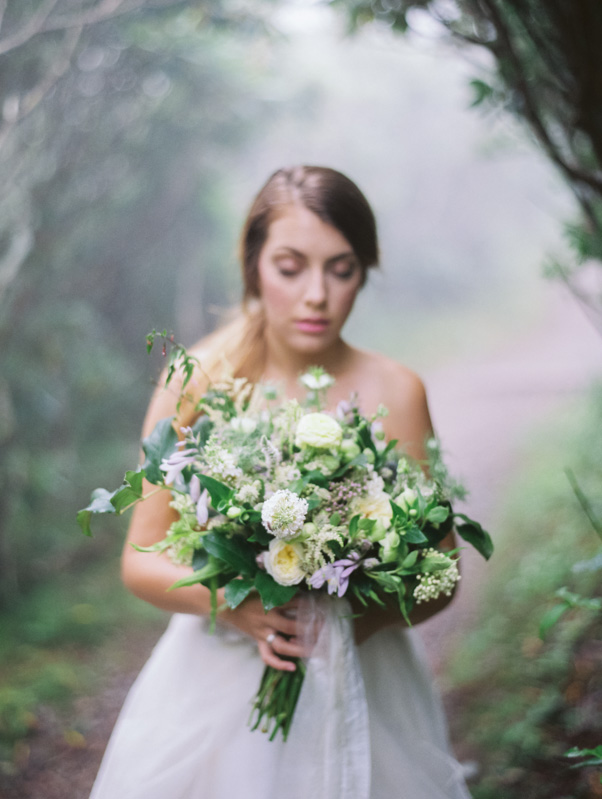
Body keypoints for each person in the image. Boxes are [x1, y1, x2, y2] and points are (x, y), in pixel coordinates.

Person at [89, 166, 472, 799]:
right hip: (215, 685)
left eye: (341, 268)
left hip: (365, 682)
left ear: (365, 270)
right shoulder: (199, 381)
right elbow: (141, 559)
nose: (316, 294)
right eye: (291, 267)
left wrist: (349, 618)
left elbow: (443, 570)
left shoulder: (397, 391)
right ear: (253, 265)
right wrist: (240, 610)